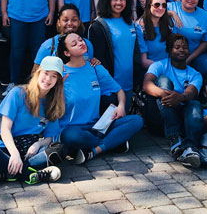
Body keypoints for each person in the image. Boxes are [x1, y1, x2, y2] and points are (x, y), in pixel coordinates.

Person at [57, 33, 144, 163]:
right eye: (74, 44)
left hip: (98, 127)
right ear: (67, 53)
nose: (80, 43)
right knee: (69, 136)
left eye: (80, 40)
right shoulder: (60, 73)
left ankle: (94, 150)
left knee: (136, 121)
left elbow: (119, 90)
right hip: (74, 129)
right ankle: (113, 142)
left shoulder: (95, 68)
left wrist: (121, 106)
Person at [0, 56, 65, 187]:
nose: (48, 79)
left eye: (54, 76)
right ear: (38, 73)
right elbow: (5, 129)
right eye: (46, 73)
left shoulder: (53, 103)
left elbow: (50, 138)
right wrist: (14, 154)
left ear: (58, 81)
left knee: (60, 149)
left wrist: (38, 144)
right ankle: (29, 173)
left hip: (29, 151)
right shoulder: (17, 93)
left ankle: (5, 174)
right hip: (6, 148)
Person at [142, 33, 204, 168]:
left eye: (185, 47)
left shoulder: (195, 74)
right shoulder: (159, 66)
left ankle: (190, 148)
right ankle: (174, 137)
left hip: (181, 115)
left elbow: (191, 92)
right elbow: (147, 85)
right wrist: (166, 94)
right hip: (159, 118)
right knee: (163, 80)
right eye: (177, 47)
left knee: (195, 104)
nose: (182, 50)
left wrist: (180, 97)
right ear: (170, 50)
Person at [89, 0, 144, 106]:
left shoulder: (130, 23)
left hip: (129, 84)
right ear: (107, 1)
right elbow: (97, 59)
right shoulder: (99, 25)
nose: (119, 2)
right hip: (110, 88)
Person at [167, 0, 207, 75]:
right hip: (169, 54)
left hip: (193, 54)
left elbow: (206, 42)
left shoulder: (205, 16)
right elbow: (151, 12)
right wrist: (172, 13)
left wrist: (189, 59)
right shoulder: (170, 7)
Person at [32, 4, 96, 72]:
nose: (70, 23)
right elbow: (35, 73)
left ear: (79, 22)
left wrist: (94, 62)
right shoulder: (49, 45)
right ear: (59, 22)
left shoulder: (86, 44)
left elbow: (89, 68)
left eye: (74, 20)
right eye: (65, 20)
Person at [135, 0, 174, 67]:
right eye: (157, 5)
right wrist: (165, 68)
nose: (161, 8)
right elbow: (144, 61)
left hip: (171, 66)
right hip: (153, 70)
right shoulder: (140, 27)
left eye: (164, 5)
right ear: (149, 6)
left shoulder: (169, 23)